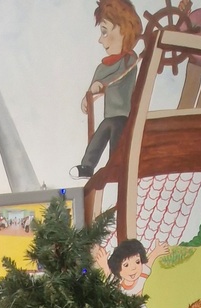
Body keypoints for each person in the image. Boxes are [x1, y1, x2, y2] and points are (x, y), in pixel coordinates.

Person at [72, 0, 142, 178]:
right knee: (101, 133)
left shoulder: (129, 60)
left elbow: (120, 75)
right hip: (110, 116)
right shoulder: (102, 68)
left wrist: (102, 84)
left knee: (117, 134)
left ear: (124, 30)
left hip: (125, 115)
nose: (100, 39)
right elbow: (93, 88)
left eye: (104, 32)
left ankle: (115, 165)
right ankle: (87, 166)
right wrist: (88, 98)